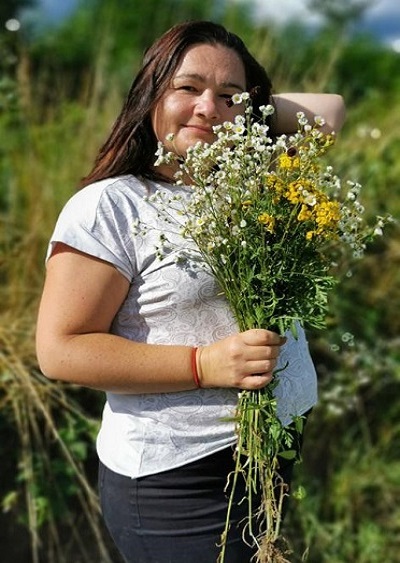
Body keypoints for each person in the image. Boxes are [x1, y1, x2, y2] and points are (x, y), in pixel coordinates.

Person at [36, 20, 345, 563]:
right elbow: (60, 349)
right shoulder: (111, 205)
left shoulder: (248, 182)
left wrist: (247, 112)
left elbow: (331, 111)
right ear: (149, 93)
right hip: (178, 480)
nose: (208, 109)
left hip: (264, 458)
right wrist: (204, 364)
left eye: (229, 97)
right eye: (187, 88)